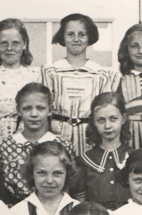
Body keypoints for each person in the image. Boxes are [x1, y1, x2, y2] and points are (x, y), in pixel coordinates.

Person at [42, 13, 121, 156]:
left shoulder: (102, 75)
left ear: (89, 37)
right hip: (57, 138)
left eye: (82, 34)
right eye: (70, 34)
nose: (76, 39)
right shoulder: (51, 72)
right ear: (63, 37)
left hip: (90, 140)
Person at [0, 82, 75, 206]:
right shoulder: (4, 147)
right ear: (18, 111)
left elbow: (69, 185)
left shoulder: (63, 145)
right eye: (27, 108)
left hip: (54, 208)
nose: (34, 114)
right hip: (14, 209)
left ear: (50, 110)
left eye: (40, 108)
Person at [0, 18, 43, 146]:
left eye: (15, 43)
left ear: (24, 44)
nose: (9, 48)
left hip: (28, 138)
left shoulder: (36, 76)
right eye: (3, 43)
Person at [69, 92, 132, 211]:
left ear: (123, 119)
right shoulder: (84, 162)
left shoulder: (133, 156)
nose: (107, 126)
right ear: (94, 121)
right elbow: (80, 205)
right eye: (101, 120)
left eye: (113, 119)